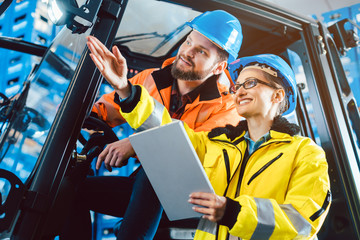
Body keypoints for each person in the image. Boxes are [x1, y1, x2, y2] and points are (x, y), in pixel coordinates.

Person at [60, 10, 243, 240]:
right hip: (148, 188)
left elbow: (195, 151)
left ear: (218, 68)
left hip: (194, 203)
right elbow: (106, 109)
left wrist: (138, 143)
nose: (187, 52)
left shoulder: (229, 110)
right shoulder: (149, 79)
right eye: (188, 42)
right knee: (67, 191)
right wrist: (73, 120)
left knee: (158, 166)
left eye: (201, 52)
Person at [106, 53, 331, 240]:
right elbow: (167, 130)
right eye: (238, 86)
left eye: (250, 83)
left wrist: (233, 212)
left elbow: (302, 220)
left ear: (278, 95)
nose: (240, 91)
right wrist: (126, 91)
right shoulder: (216, 144)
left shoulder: (305, 153)